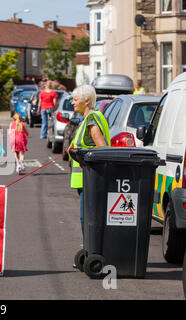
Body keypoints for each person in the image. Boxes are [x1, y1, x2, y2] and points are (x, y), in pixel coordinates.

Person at [69, 85, 111, 267]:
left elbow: (101, 149)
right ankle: (89, 250)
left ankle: (93, 252)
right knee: (86, 218)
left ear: (87, 101)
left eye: (75, 99)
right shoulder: (86, 120)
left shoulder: (92, 119)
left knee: (88, 218)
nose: (72, 102)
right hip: (85, 180)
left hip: (91, 180)